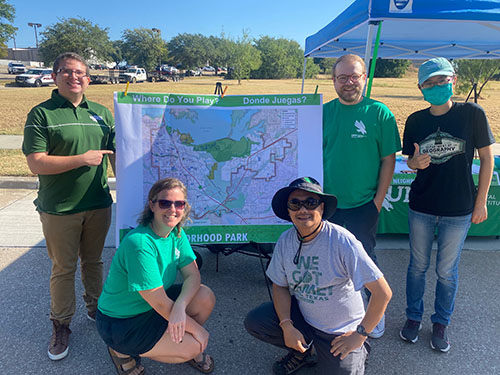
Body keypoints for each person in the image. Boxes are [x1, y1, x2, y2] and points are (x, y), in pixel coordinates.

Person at [245, 177, 392, 375]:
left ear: (321, 208)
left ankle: (359, 350)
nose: (303, 209)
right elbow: (279, 285)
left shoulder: (342, 241)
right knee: (257, 321)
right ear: (288, 211)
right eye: (295, 203)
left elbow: (382, 293)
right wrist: (287, 326)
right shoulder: (285, 240)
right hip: (305, 319)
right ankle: (302, 352)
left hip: (339, 331)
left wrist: (360, 334)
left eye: (310, 202)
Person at [22, 52, 115, 361]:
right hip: (59, 209)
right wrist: (83, 159)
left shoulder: (102, 113)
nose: (75, 77)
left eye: (81, 73)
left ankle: (96, 310)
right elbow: (36, 163)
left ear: (88, 78)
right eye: (67, 72)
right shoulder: (42, 114)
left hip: (98, 204)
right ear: (54, 76)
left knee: (94, 262)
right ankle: (61, 325)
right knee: (64, 268)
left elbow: (115, 154)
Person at [400, 57, 494, 353]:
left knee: (446, 271)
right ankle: (413, 317)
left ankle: (441, 322)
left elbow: (488, 159)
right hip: (422, 207)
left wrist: (481, 203)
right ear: (421, 88)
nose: (437, 86)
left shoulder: (472, 114)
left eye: (442, 80)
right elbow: (409, 161)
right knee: (417, 267)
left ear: (453, 80)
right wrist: (414, 162)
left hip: (459, 208)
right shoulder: (415, 121)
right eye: (430, 83)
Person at [96, 177, 216, 375]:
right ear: (152, 205)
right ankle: (121, 350)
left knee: (205, 296)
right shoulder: (140, 244)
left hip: (153, 308)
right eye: (165, 203)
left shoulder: (176, 233)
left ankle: (172, 337)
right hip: (121, 322)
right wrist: (197, 330)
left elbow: (193, 275)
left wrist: (180, 306)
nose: (172, 209)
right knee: (194, 345)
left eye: (179, 204)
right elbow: (160, 303)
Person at [323, 54, 401, 338]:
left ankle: (374, 314)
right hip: (327, 205)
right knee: (330, 259)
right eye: (342, 77)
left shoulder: (379, 113)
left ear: (364, 78)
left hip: (363, 205)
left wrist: (376, 203)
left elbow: (388, 160)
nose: (349, 82)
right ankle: (338, 311)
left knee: (365, 260)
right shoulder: (323, 113)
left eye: (354, 76)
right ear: (333, 81)